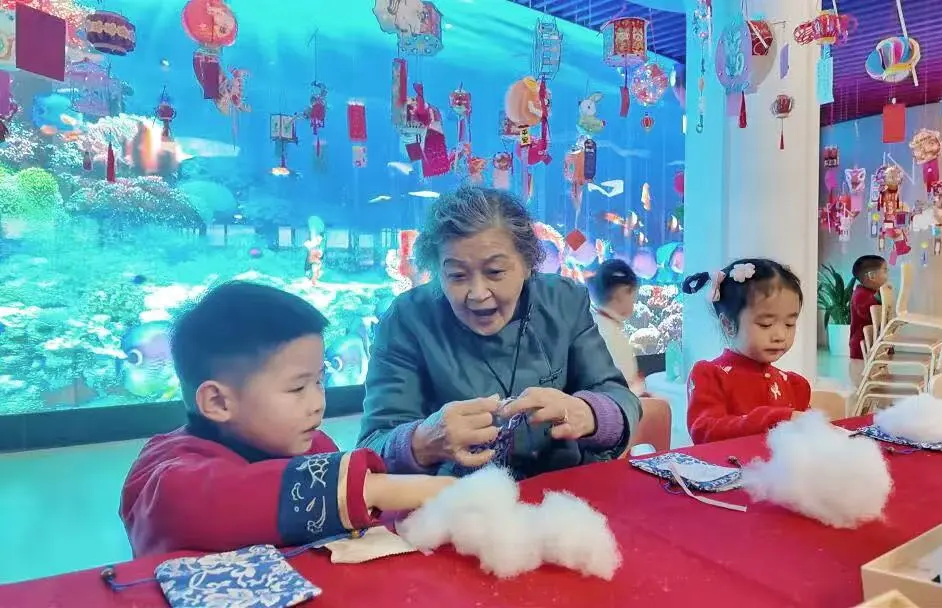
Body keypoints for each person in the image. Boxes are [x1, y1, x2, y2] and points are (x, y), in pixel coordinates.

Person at [119, 282, 453, 558]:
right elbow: (223, 500)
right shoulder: (163, 479)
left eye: (319, 381)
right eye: (297, 388)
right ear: (218, 401)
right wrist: (377, 488)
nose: (317, 403)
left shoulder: (313, 445)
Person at [356, 187, 641, 479]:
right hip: (456, 499)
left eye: (495, 272)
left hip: (565, 491)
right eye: (457, 276)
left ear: (528, 264)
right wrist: (422, 442)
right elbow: (372, 447)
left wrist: (588, 412)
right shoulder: (407, 319)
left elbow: (621, 398)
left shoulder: (563, 301)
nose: (478, 294)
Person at [681, 259, 811, 443]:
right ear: (728, 325)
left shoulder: (794, 385)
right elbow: (705, 432)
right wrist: (776, 419)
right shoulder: (709, 376)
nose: (781, 335)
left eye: (789, 324)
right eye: (766, 324)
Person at [587, 259, 645, 396]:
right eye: (633, 296)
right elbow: (624, 393)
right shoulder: (611, 337)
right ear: (622, 293)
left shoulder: (594, 325)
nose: (634, 303)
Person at [849, 255, 889, 360]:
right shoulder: (861, 295)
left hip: (870, 343)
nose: (887, 276)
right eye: (885, 271)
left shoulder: (871, 293)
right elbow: (872, 316)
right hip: (862, 347)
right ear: (872, 276)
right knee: (861, 370)